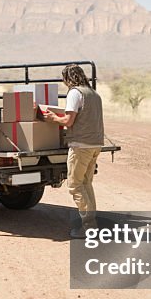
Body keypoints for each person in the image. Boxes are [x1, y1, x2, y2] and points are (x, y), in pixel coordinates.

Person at [41, 64, 105, 239]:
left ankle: (89, 228)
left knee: (75, 185)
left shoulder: (75, 93)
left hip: (80, 145)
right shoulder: (94, 94)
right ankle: (93, 225)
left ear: (68, 78)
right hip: (95, 144)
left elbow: (68, 121)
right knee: (86, 183)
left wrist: (53, 118)